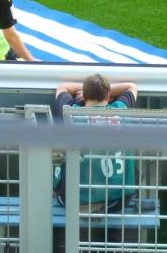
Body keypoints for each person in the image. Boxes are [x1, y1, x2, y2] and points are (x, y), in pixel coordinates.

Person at [52, 74, 139, 213]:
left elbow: (62, 87)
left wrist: (87, 90)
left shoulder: (71, 113)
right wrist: (102, 90)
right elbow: (131, 86)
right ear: (108, 96)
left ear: (84, 96)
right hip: (117, 201)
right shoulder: (120, 109)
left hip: (72, 200)